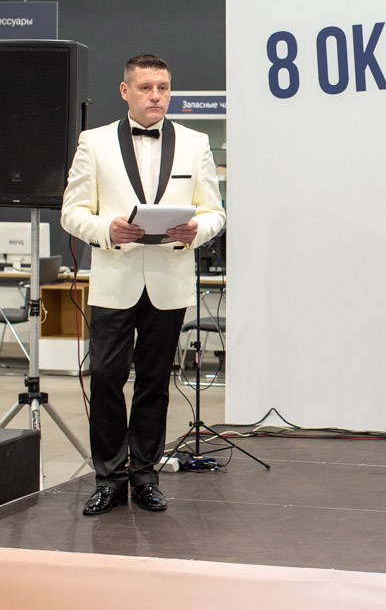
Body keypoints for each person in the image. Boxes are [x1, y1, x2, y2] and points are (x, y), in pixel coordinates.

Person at [61, 54, 226, 516]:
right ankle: (110, 479)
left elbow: (214, 211)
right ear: (125, 91)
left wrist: (197, 230)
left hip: (169, 280)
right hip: (115, 278)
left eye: (163, 88)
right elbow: (72, 212)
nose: (156, 96)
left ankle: (146, 477)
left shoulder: (195, 143)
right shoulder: (94, 143)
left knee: (155, 384)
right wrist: (107, 229)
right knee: (106, 379)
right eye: (146, 87)